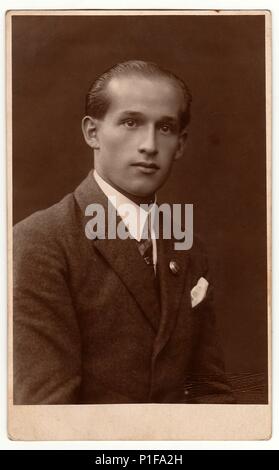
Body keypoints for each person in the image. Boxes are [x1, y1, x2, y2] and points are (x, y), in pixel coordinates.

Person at [13, 60, 235, 404]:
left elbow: (212, 392)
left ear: (181, 143)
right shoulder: (39, 242)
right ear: (92, 132)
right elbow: (47, 416)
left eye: (165, 128)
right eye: (131, 122)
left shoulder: (184, 244)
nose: (148, 144)